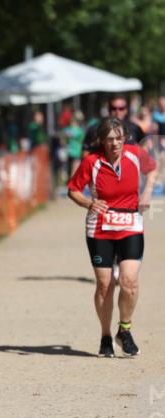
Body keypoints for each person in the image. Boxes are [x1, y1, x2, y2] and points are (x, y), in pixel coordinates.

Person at [67, 117, 157, 357]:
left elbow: (154, 169)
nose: (115, 143)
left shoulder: (135, 154)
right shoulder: (91, 162)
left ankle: (124, 330)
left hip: (130, 224)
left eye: (119, 138)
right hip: (100, 228)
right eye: (109, 139)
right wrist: (89, 202)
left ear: (124, 138)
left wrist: (147, 194)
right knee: (105, 284)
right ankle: (106, 335)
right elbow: (73, 190)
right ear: (102, 141)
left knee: (130, 281)